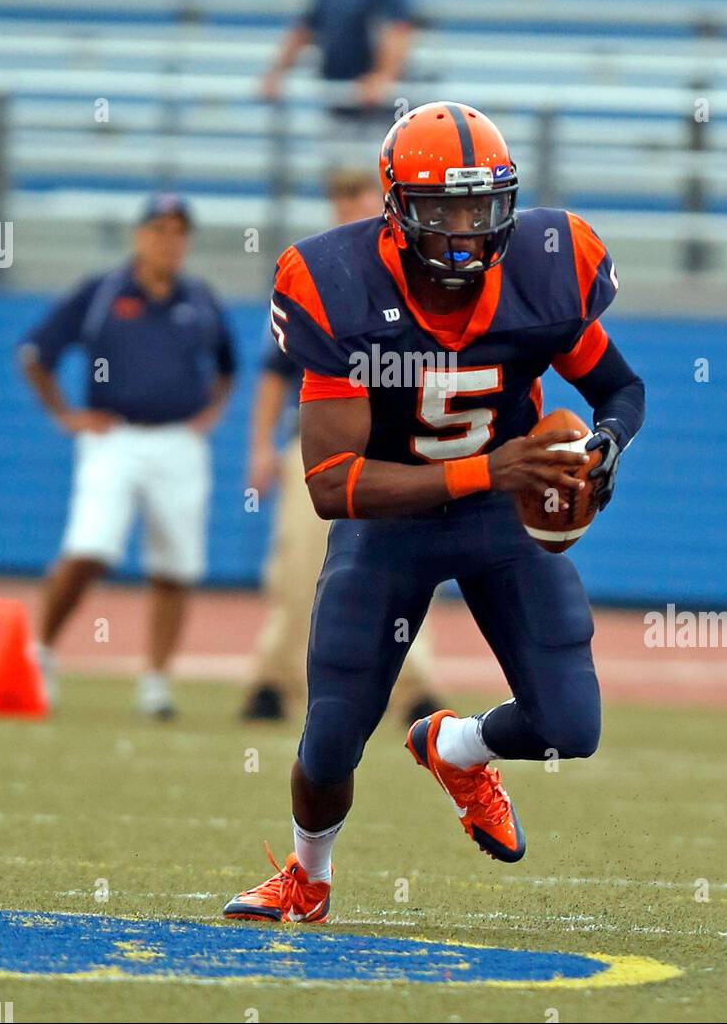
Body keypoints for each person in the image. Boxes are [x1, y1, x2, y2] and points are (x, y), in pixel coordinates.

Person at [223, 103, 644, 924]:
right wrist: (489, 468)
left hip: (501, 515)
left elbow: (619, 388)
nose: (465, 229)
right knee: (335, 732)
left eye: (480, 207)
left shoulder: (546, 272)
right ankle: (308, 878)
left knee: (570, 723)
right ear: (396, 206)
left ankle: (456, 748)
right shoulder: (336, 283)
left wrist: (606, 445)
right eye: (442, 209)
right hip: (390, 517)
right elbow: (332, 482)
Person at [18, 193, 236, 718]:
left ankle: (156, 682)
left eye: (179, 232)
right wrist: (66, 416)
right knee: (90, 547)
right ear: (139, 236)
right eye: (160, 230)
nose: (170, 241)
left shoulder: (200, 298)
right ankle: (40, 654)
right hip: (113, 438)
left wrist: (209, 415)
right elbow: (36, 355)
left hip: (178, 442)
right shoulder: (102, 292)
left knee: (176, 566)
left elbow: (227, 367)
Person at [241, 168, 441, 726]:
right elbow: (274, 374)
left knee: (407, 565)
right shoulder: (316, 275)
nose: (351, 207)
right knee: (299, 566)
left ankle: (412, 686)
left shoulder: (415, 274)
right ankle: (274, 680)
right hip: (319, 443)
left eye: (360, 196)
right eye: (342, 197)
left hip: (396, 443)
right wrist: (261, 446)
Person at [260, 0, 414, 172]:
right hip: (336, 102)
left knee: (373, 181)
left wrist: (382, 77)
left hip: (375, 110)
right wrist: (276, 73)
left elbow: (397, 33)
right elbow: (303, 32)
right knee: (338, 179)